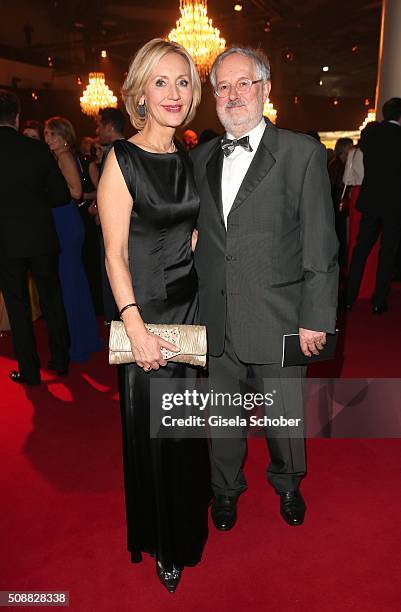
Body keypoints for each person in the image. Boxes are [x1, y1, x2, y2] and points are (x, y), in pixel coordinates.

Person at [192, 47, 338, 532]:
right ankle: (225, 490)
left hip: (279, 315)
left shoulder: (301, 154)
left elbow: (320, 242)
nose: (233, 95)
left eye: (244, 84)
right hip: (216, 315)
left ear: (266, 90)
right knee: (222, 418)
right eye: (223, 87)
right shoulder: (200, 157)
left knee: (283, 416)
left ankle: (288, 482)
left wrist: (317, 316)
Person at [97, 38, 211, 593]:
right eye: (161, 81)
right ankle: (164, 541)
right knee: (158, 434)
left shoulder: (185, 153)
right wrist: (134, 324)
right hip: (148, 315)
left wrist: (189, 235)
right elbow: (114, 254)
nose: (173, 92)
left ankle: (190, 518)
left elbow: (181, 222)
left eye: (183, 81)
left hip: (190, 305)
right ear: (140, 91)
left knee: (188, 429)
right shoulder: (121, 160)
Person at [0, 90, 70, 384]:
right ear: (17, 118)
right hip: (41, 238)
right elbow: (61, 196)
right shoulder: (38, 150)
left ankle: (29, 371)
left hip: (5, 242)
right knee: (52, 300)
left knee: (17, 308)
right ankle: (60, 360)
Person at [44, 116, 102, 362]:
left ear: (63, 136)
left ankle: (78, 343)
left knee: (69, 284)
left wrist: (47, 189)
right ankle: (84, 338)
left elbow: (76, 191)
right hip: (66, 222)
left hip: (66, 222)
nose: (48, 139)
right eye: (46, 134)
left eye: (51, 134)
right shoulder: (62, 156)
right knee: (74, 283)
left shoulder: (65, 157)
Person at [346, 98, 401, 313]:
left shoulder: (370, 133)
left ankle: (349, 297)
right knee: (387, 252)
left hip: (371, 199)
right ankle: (378, 301)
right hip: (395, 203)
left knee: (361, 250)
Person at [96, 107, 126, 323]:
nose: (97, 130)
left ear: (108, 126)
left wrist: (100, 211)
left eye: (99, 125)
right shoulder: (134, 147)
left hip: (115, 224)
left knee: (112, 269)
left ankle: (112, 321)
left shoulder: (113, 152)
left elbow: (108, 191)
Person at [328, 137, 353, 268]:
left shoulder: (337, 164)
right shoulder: (337, 165)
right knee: (340, 235)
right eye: (350, 148)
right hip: (336, 206)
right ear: (343, 150)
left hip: (336, 205)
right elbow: (338, 185)